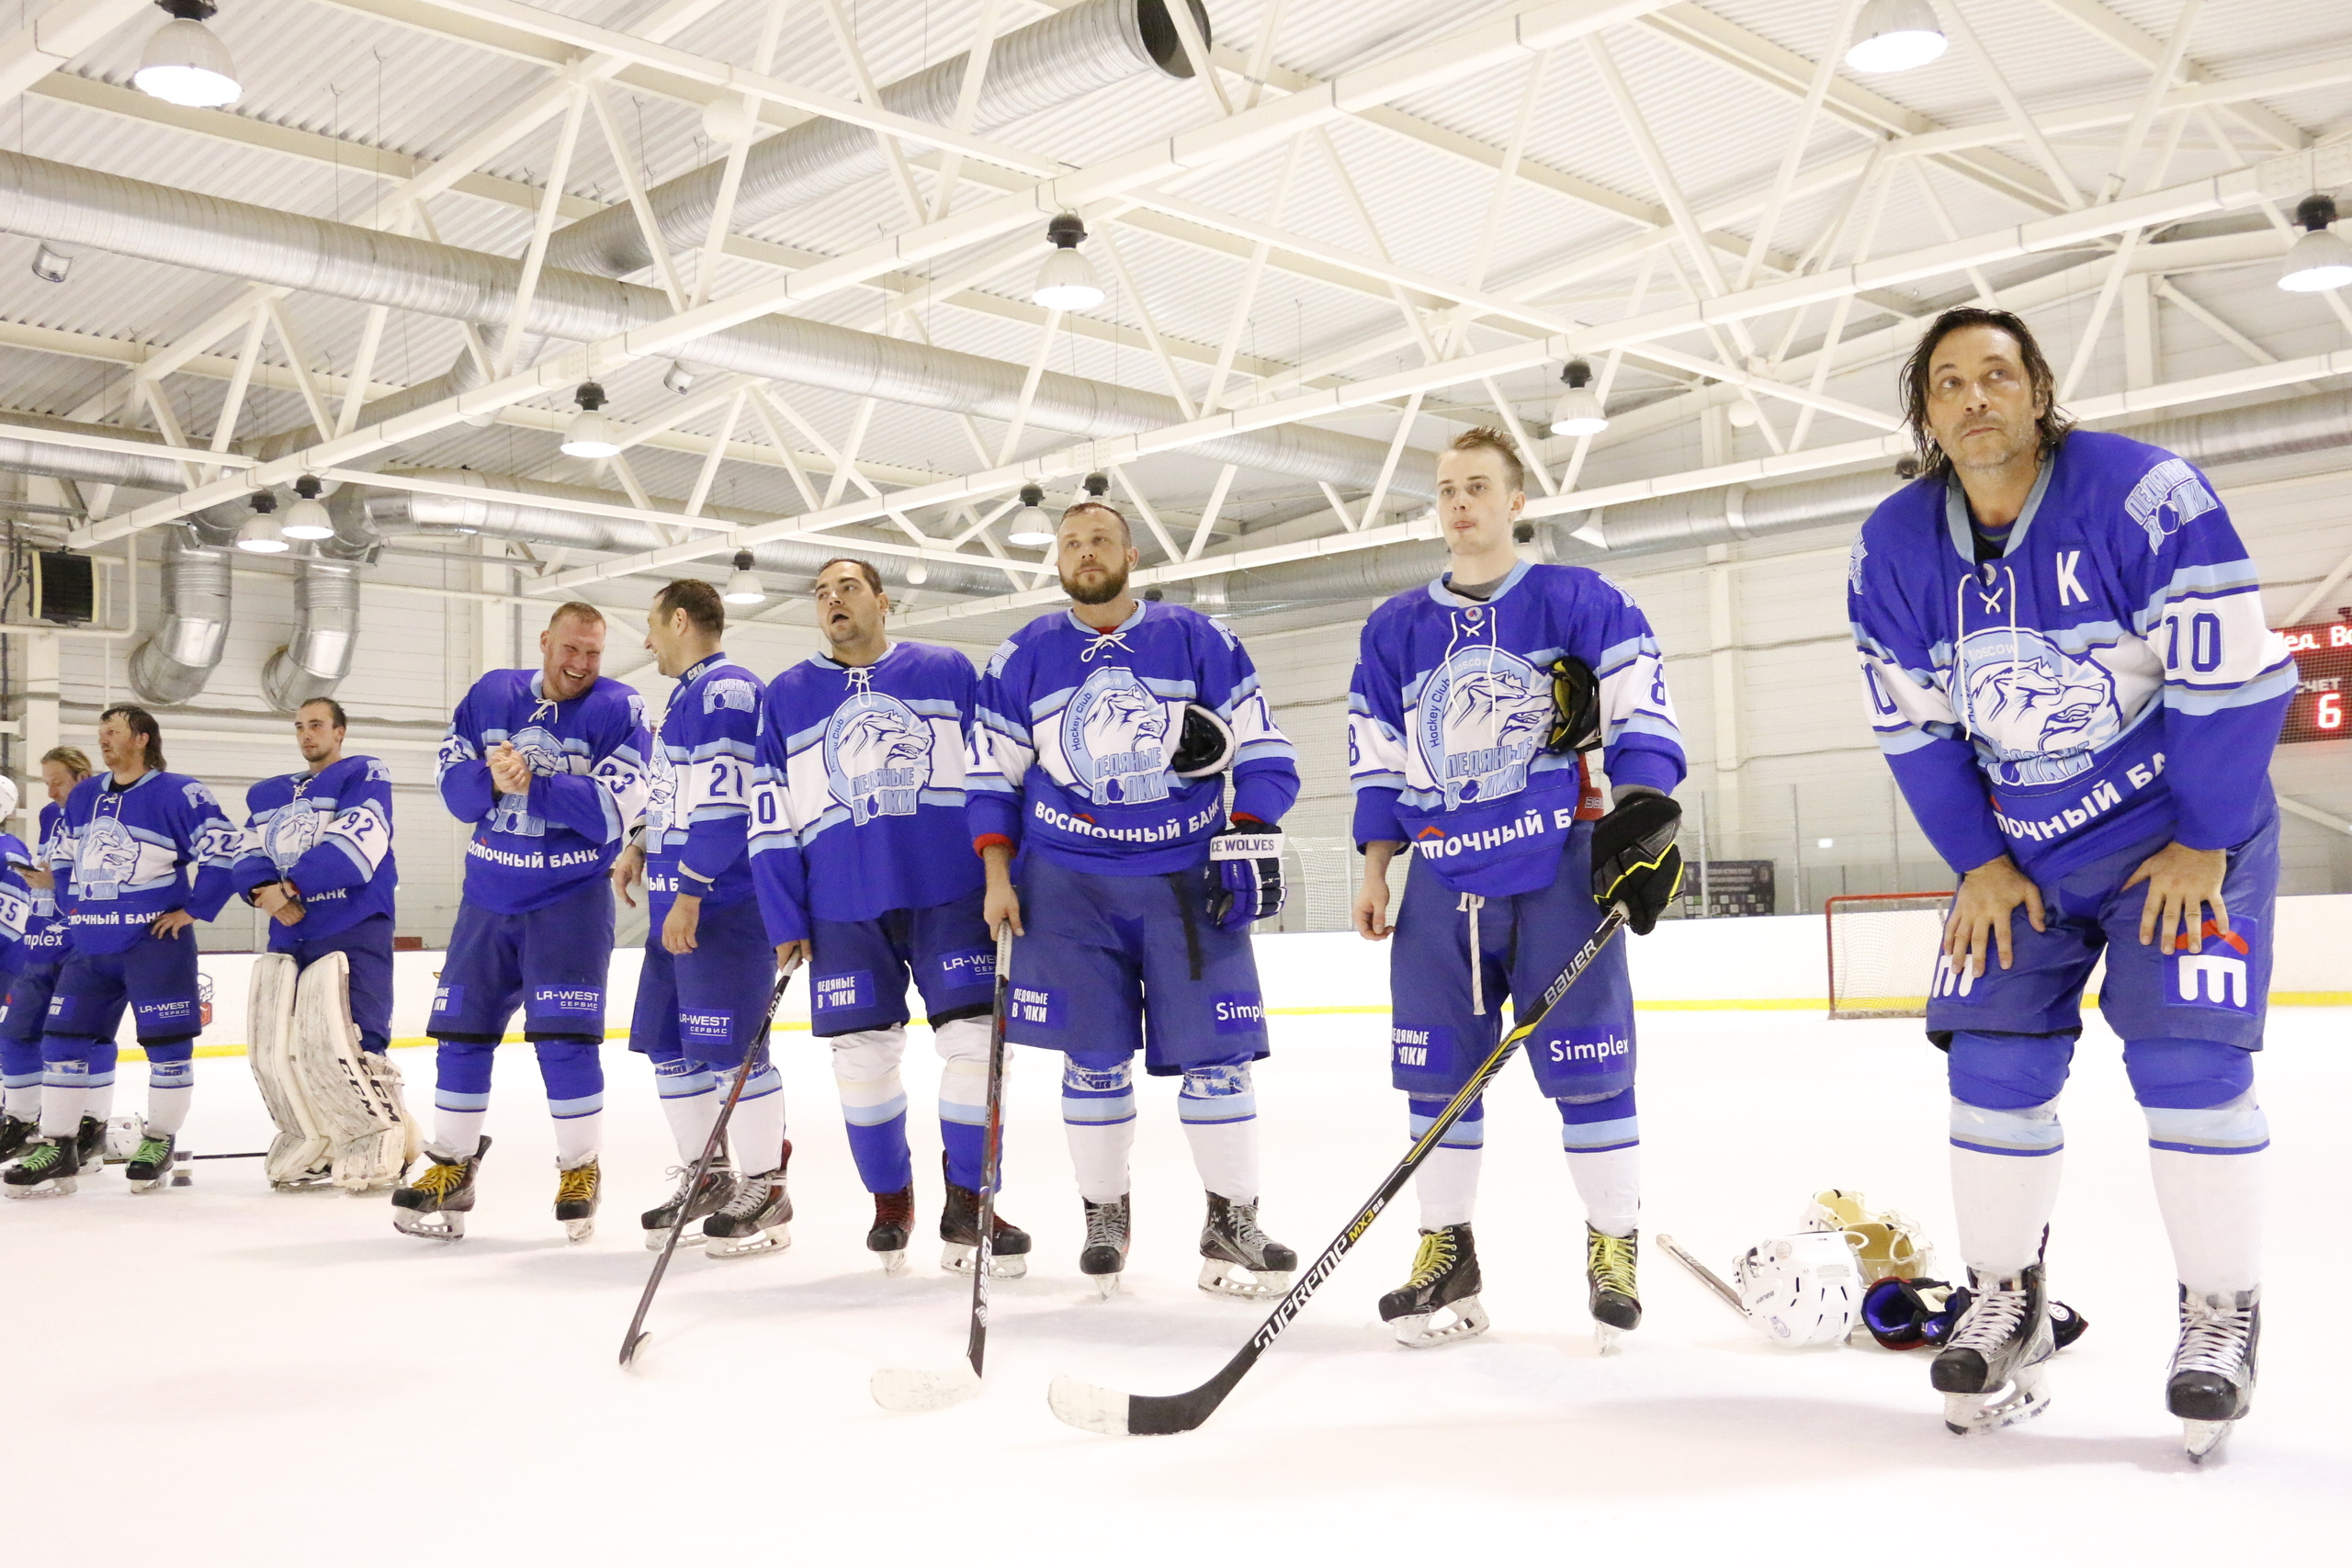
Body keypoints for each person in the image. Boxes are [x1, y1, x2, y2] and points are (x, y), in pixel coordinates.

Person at [1849, 307, 2293, 1456]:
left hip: (2179, 838)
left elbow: (2237, 681)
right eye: (1948, 383)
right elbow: (1914, 733)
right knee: (1993, 1061)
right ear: (1926, 413)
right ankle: (2004, 1294)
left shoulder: (2144, 494)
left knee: (2188, 1064)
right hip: (2023, 856)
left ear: (2038, 389)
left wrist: (2201, 839)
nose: (1974, 397)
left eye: (1996, 374)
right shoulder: (1890, 548)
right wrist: (1979, 866)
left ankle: (2218, 1318)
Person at [1348, 426, 1688, 1351]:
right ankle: (1444, 1252)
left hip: (1561, 866)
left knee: (1590, 1069)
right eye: (1447, 488)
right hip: (1440, 877)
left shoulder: (1581, 599)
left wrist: (1643, 810)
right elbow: (1377, 755)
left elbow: (1636, 708)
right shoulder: (1393, 629)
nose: (1459, 503)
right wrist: (1374, 864)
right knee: (1437, 1075)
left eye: (1478, 487)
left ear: (1515, 502)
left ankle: (1611, 1245)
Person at [969, 498, 1299, 1298]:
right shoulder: (1022, 657)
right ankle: (1104, 1215)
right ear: (1057, 561)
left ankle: (1232, 1217)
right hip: (1067, 885)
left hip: (1186, 879)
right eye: (1072, 543)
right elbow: (989, 781)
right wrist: (997, 876)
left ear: (1132, 554)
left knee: (1218, 1061)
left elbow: (1263, 750)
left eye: (1101, 540)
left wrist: (1247, 831)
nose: (1087, 553)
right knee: (1093, 1059)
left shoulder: (1197, 638)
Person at [750, 557, 1029, 1276]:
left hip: (951, 888)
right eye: (820, 592)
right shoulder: (785, 695)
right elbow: (768, 815)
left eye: (846, 588)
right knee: (861, 1064)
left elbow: (997, 773)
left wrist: (1007, 873)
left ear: (883, 600)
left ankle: (969, 1196)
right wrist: (784, 913)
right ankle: (891, 1198)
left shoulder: (947, 671)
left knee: (974, 1044)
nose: (832, 600)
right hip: (841, 902)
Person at [397, 603, 649, 1241]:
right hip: (487, 897)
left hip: (569, 900)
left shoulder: (622, 708)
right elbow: (453, 790)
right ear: (545, 641)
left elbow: (610, 812)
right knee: (461, 1034)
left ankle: (579, 1167)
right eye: (571, 648)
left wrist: (530, 783)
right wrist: (490, 775)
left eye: (593, 653)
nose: (582, 664)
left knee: (564, 1041)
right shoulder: (491, 693)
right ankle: (451, 1164)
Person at [610, 579, 787, 1258]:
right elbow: (678, 798)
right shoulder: (688, 695)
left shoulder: (725, 692)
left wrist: (691, 889)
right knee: (669, 1045)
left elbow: (725, 805)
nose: (648, 641)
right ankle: (709, 1177)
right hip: (673, 901)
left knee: (731, 1050)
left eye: (652, 626)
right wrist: (639, 845)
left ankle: (767, 1186)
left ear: (680, 620)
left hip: (720, 904)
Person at [5, 709, 238, 1197]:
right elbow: (65, 860)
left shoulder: (180, 792)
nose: (103, 741)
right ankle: (60, 1144)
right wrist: (74, 908)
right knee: (62, 1042)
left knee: (168, 1048)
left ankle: (160, 1139)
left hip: (155, 945)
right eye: (100, 733)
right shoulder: (86, 795)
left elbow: (223, 850)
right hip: (90, 946)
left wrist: (195, 910)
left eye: (112, 732)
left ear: (141, 738)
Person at [234, 697, 411, 1190]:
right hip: (290, 929)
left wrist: (289, 887)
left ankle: (383, 1137)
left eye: (316, 725)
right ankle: (315, 1138)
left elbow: (362, 838)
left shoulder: (363, 773)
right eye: (299, 727)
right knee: (288, 1046)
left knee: (352, 1037)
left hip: (352, 921)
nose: (306, 734)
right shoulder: (270, 794)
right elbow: (247, 850)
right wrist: (263, 892)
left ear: (340, 732)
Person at [0, 748, 97, 1168]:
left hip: (84, 939)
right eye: (46, 781)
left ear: (81, 776)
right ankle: (21, 1120)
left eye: (57, 780)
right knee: (18, 1033)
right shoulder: (46, 817)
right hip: (42, 941)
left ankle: (90, 1124)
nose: (51, 790)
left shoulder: (102, 813)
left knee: (79, 1038)